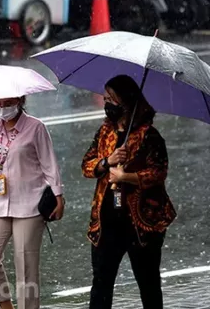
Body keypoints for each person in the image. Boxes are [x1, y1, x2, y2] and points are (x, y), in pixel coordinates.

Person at [81, 75, 177, 309]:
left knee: (148, 283)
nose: (107, 104)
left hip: (141, 224)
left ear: (126, 102)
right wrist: (107, 162)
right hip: (106, 222)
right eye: (105, 98)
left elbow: (158, 172)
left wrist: (127, 177)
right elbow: (87, 165)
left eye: (111, 99)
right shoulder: (105, 132)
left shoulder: (149, 135)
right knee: (101, 284)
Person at [0, 96, 64, 309]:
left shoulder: (36, 128)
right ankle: (6, 307)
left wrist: (58, 196)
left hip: (29, 203)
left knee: (26, 266)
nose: (3, 108)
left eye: (8, 103)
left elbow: (49, 164)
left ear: (20, 100)